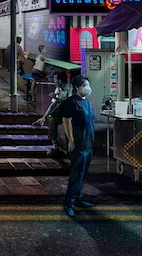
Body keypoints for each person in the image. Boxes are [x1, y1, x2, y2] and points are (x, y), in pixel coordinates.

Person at [61, 74, 95, 217]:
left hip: (88, 143)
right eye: (84, 85)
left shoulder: (87, 102)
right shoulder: (71, 102)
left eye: (88, 85)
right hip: (78, 144)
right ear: (77, 88)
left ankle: (78, 199)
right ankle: (68, 203)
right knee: (76, 174)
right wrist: (71, 140)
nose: (87, 88)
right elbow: (66, 121)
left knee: (83, 174)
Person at [33, 71, 73, 157]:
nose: (53, 80)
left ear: (59, 80)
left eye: (55, 79)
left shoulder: (69, 88)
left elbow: (68, 101)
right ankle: (56, 147)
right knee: (52, 122)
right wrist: (44, 117)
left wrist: (57, 98)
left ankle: (68, 150)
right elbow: (53, 104)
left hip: (68, 115)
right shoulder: (57, 89)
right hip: (59, 115)